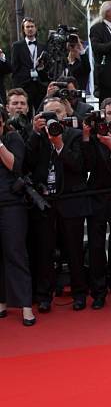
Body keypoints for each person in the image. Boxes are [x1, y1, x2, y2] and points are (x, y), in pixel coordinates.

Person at [26, 97, 90, 312]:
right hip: (45, 203)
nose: (54, 117)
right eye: (48, 114)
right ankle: (44, 296)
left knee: (74, 250)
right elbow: (26, 163)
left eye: (58, 112)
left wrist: (59, 144)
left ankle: (79, 293)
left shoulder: (74, 135)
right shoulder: (37, 137)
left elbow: (80, 166)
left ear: (67, 114)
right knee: (44, 251)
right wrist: (35, 133)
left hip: (70, 201)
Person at [83, 98, 111, 308]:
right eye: (109, 113)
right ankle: (98, 292)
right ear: (103, 114)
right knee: (96, 245)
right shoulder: (93, 135)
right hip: (96, 196)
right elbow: (86, 164)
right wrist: (87, 137)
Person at [0, 105, 35, 326]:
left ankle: (25, 306)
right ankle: (2, 301)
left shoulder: (13, 139)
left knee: (15, 252)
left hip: (11, 205)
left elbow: (14, 165)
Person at [11, 17, 47, 113]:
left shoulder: (43, 46)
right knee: (24, 114)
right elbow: (14, 68)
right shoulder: (17, 46)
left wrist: (41, 68)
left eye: (32, 26)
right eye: (27, 27)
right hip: (24, 86)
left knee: (41, 113)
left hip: (40, 86)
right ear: (23, 29)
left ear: (35, 28)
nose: (30, 29)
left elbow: (47, 68)